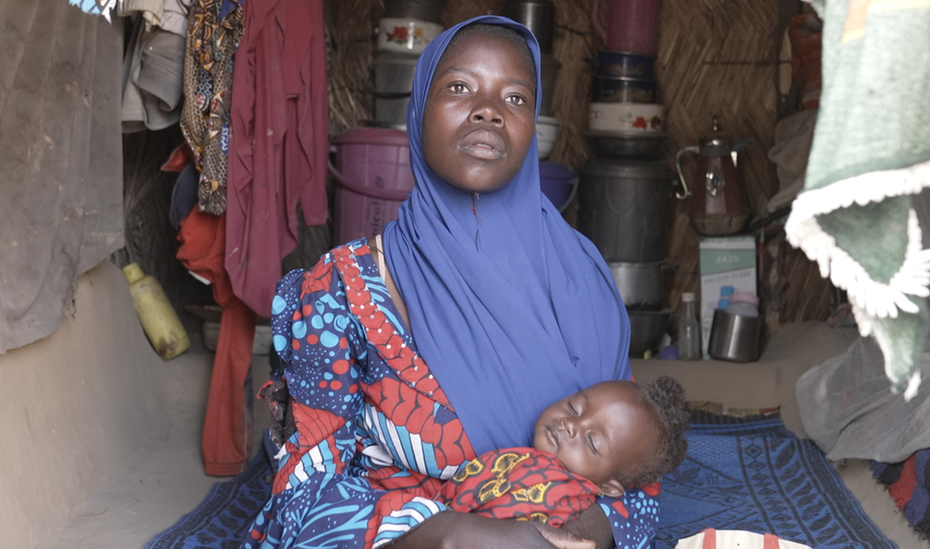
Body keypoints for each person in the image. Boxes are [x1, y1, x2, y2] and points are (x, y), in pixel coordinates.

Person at [244, 15, 662, 549]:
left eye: (514, 98)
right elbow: (303, 500)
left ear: (533, 125)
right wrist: (448, 535)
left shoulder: (583, 276)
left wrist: (556, 537)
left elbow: (638, 475)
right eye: (460, 87)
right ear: (418, 110)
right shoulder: (340, 292)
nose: (488, 109)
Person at [434, 377, 689, 530]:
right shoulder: (533, 462)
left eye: (592, 441)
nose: (570, 424)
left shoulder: (557, 492)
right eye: (574, 407)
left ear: (608, 487)